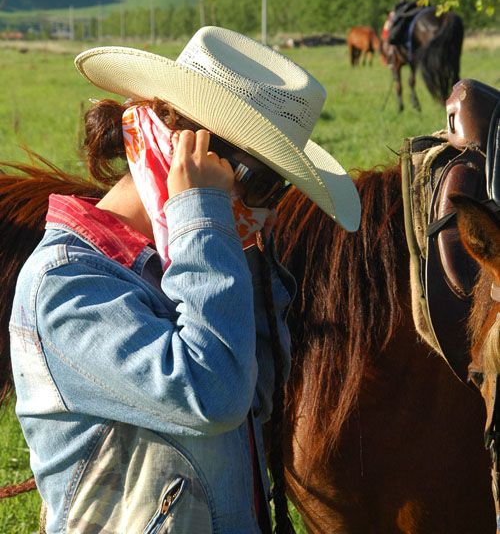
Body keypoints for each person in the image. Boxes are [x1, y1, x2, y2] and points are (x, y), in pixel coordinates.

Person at [7, 26, 361, 534]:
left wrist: (234, 258)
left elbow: (254, 396)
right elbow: (210, 395)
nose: (263, 209)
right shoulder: (66, 283)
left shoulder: (189, 263)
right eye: (258, 182)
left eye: (278, 190)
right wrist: (202, 214)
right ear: (178, 152)